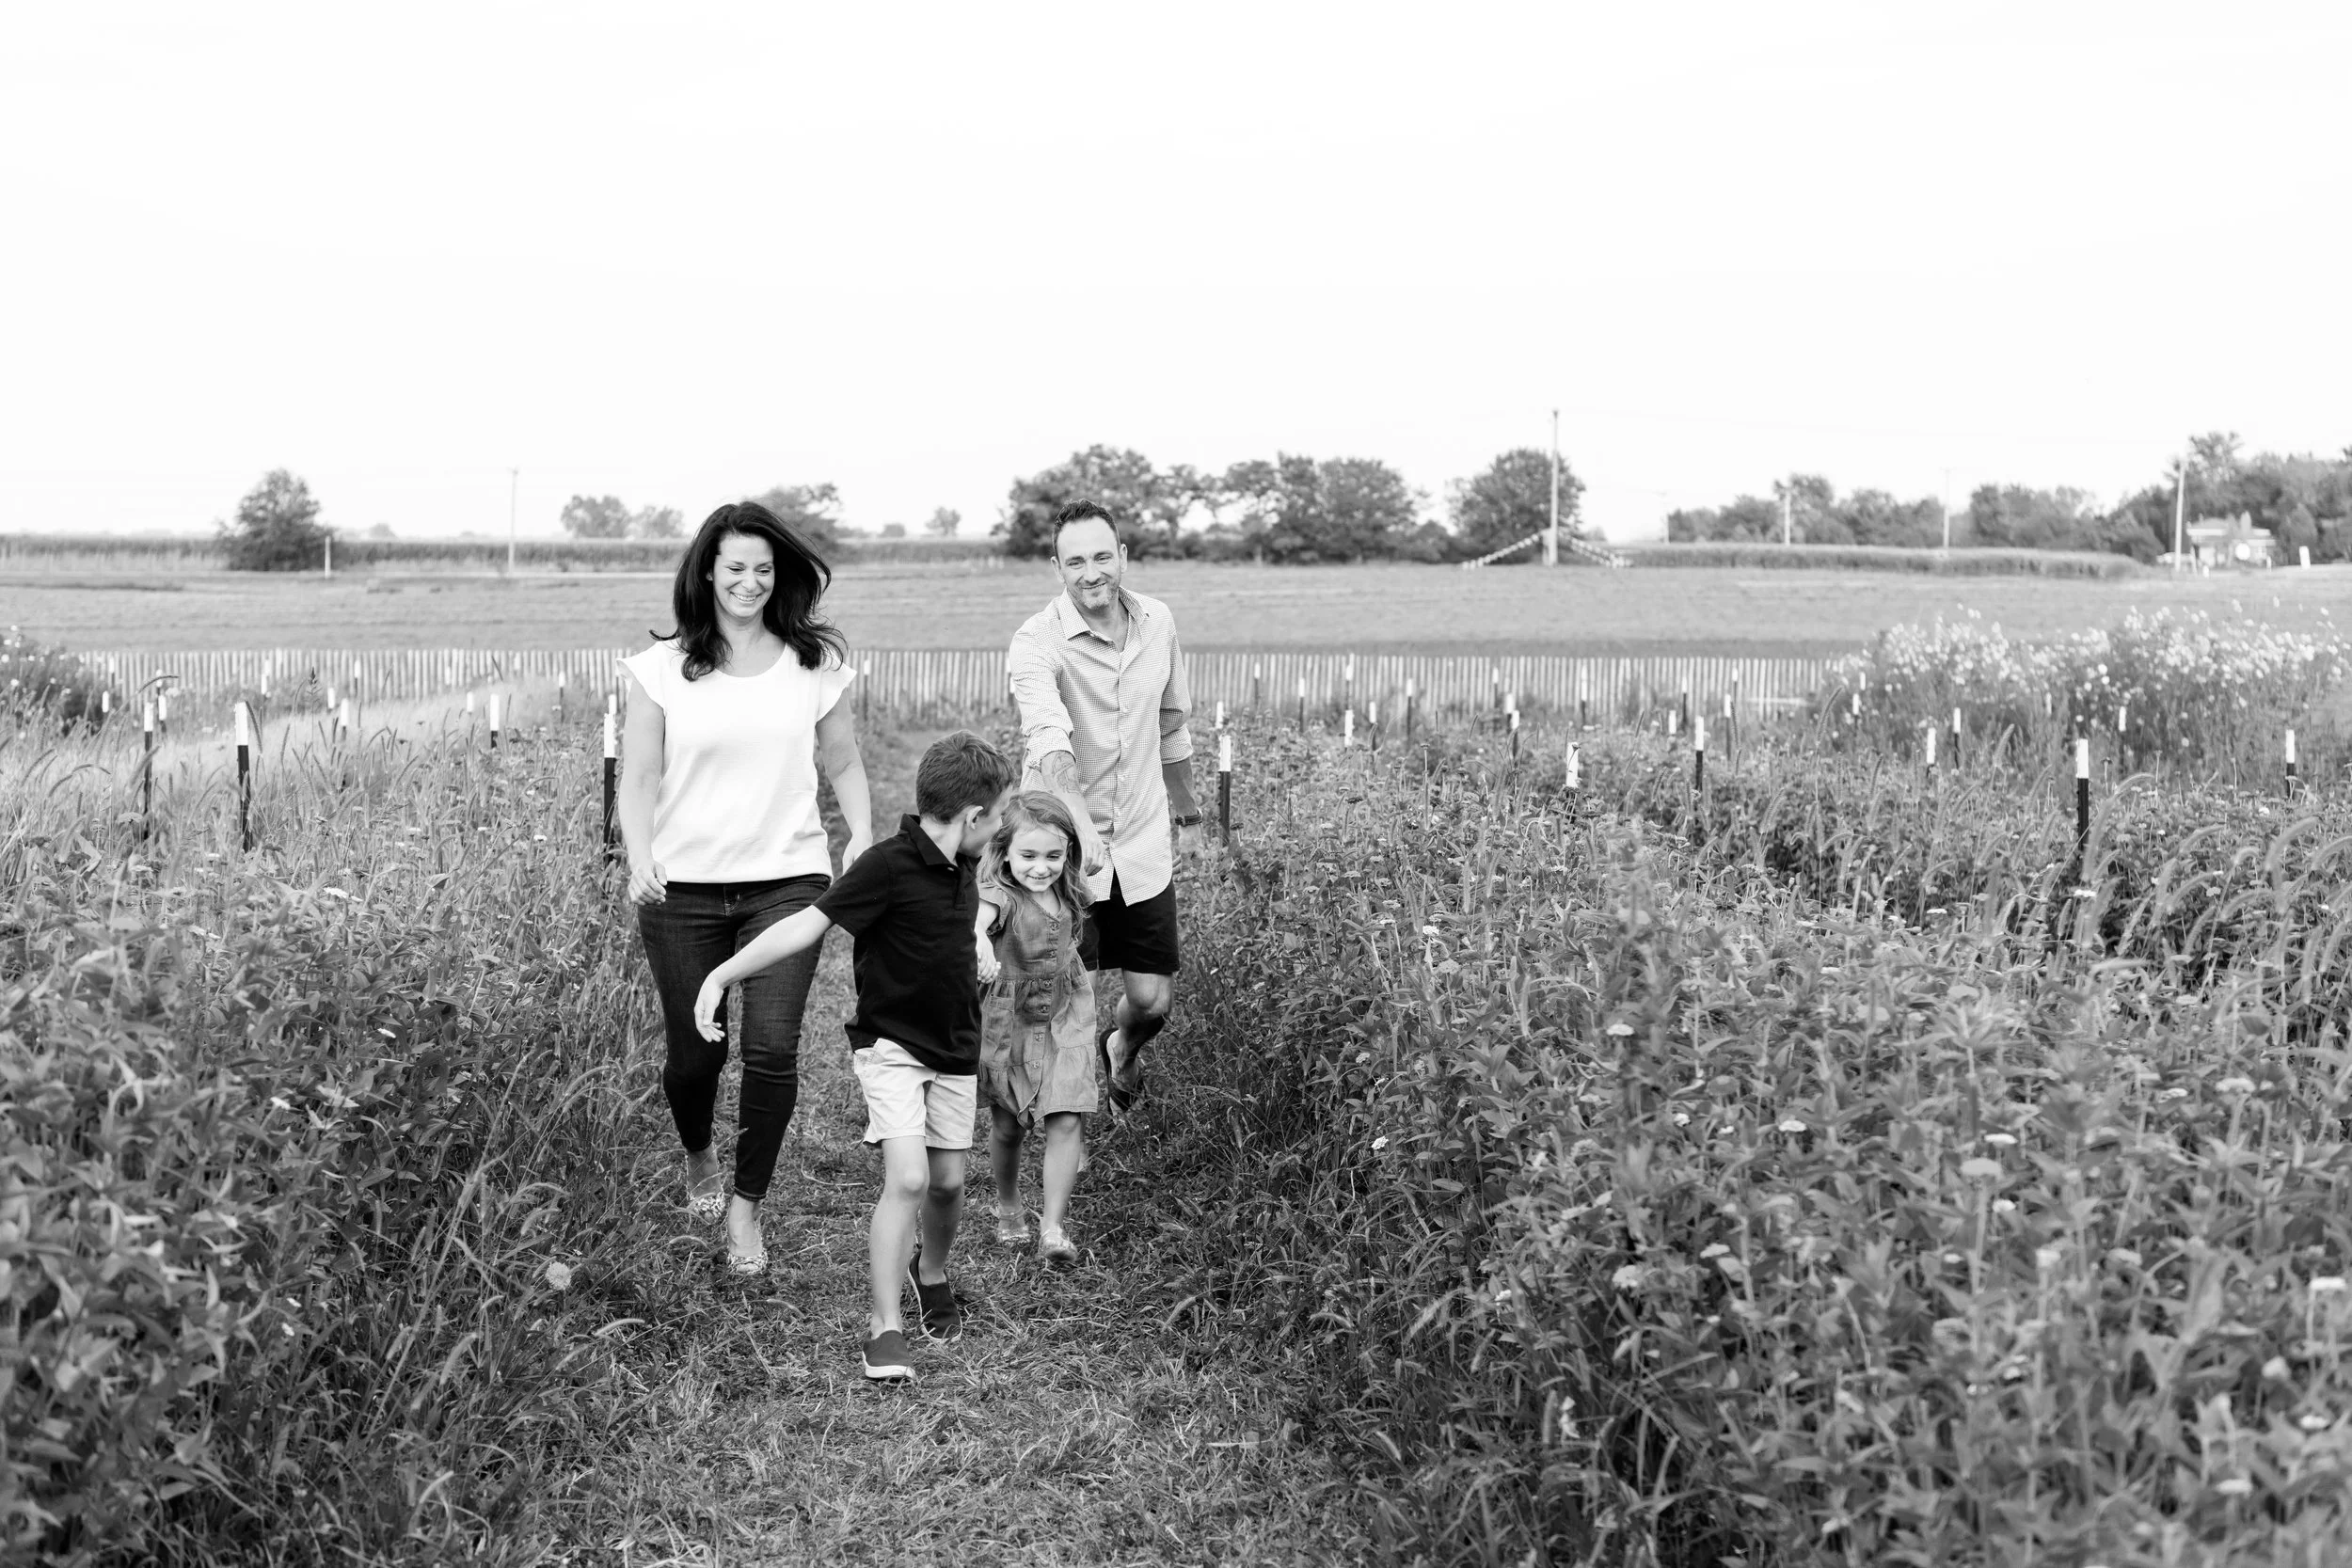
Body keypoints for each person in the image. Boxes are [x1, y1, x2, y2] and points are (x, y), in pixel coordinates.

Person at [692, 731, 1014, 1384]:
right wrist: (722, 974)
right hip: (890, 1046)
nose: (1002, 825)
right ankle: (883, 1328)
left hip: (955, 1046)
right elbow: (805, 925)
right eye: (1000, 814)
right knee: (910, 1178)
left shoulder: (966, 870)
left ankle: (931, 1271)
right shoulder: (886, 866)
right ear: (974, 817)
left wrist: (979, 942)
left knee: (949, 1182)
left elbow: (970, 919)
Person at [615, 500, 870, 1279]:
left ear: (780, 574)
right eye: (736, 569)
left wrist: (859, 834)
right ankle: (698, 1155)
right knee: (694, 1060)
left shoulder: (812, 665)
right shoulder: (659, 670)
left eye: (764, 568)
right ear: (707, 573)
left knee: (770, 1049)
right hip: (683, 890)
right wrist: (638, 851)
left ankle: (745, 1206)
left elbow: (845, 763)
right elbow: (641, 775)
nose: (751, 582)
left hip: (788, 881)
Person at [1005, 500, 1203, 1113]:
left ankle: (1121, 1047)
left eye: (1101, 556)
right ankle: (1058, 1123)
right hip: (1063, 849)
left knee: (1152, 1002)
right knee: (1068, 994)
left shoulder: (1158, 623)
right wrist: (1081, 830)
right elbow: (1050, 742)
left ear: (1121, 556)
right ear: (1057, 567)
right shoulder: (1037, 642)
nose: (1091, 573)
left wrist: (1190, 812)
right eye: (1075, 561)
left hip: (1142, 840)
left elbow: (1171, 724)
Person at [971, 791, 1097, 1264]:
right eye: (1028, 855)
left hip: (1066, 1013)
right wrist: (979, 943)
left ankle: (1053, 1228)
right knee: (1008, 1127)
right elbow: (979, 923)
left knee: (1066, 1116)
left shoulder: (1069, 888)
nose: (1041, 867)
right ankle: (1008, 1206)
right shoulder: (999, 895)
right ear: (1003, 852)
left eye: (1053, 855)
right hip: (1012, 1021)